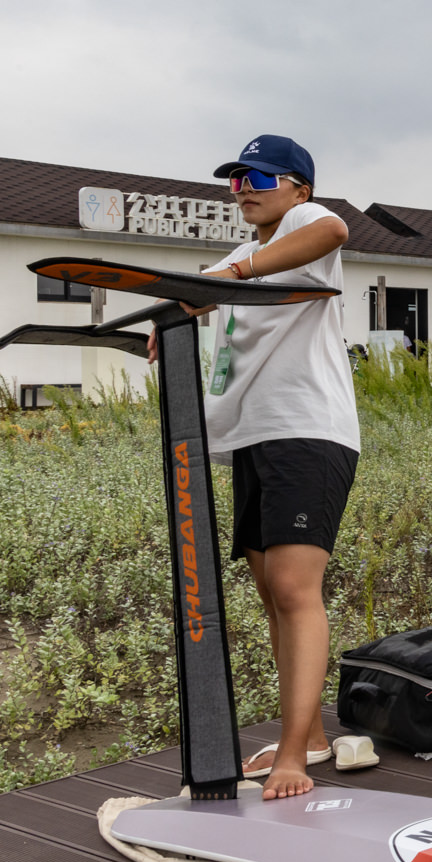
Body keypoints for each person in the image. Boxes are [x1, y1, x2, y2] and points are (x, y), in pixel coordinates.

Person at [150, 134, 358, 800]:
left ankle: (295, 755)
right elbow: (197, 294)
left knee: (297, 592)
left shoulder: (301, 225)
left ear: (297, 186)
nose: (243, 188)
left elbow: (335, 228)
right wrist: (170, 313)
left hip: (306, 430)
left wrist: (234, 278)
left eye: (259, 178)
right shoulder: (244, 254)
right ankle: (314, 734)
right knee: (273, 595)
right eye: (236, 178)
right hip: (252, 437)